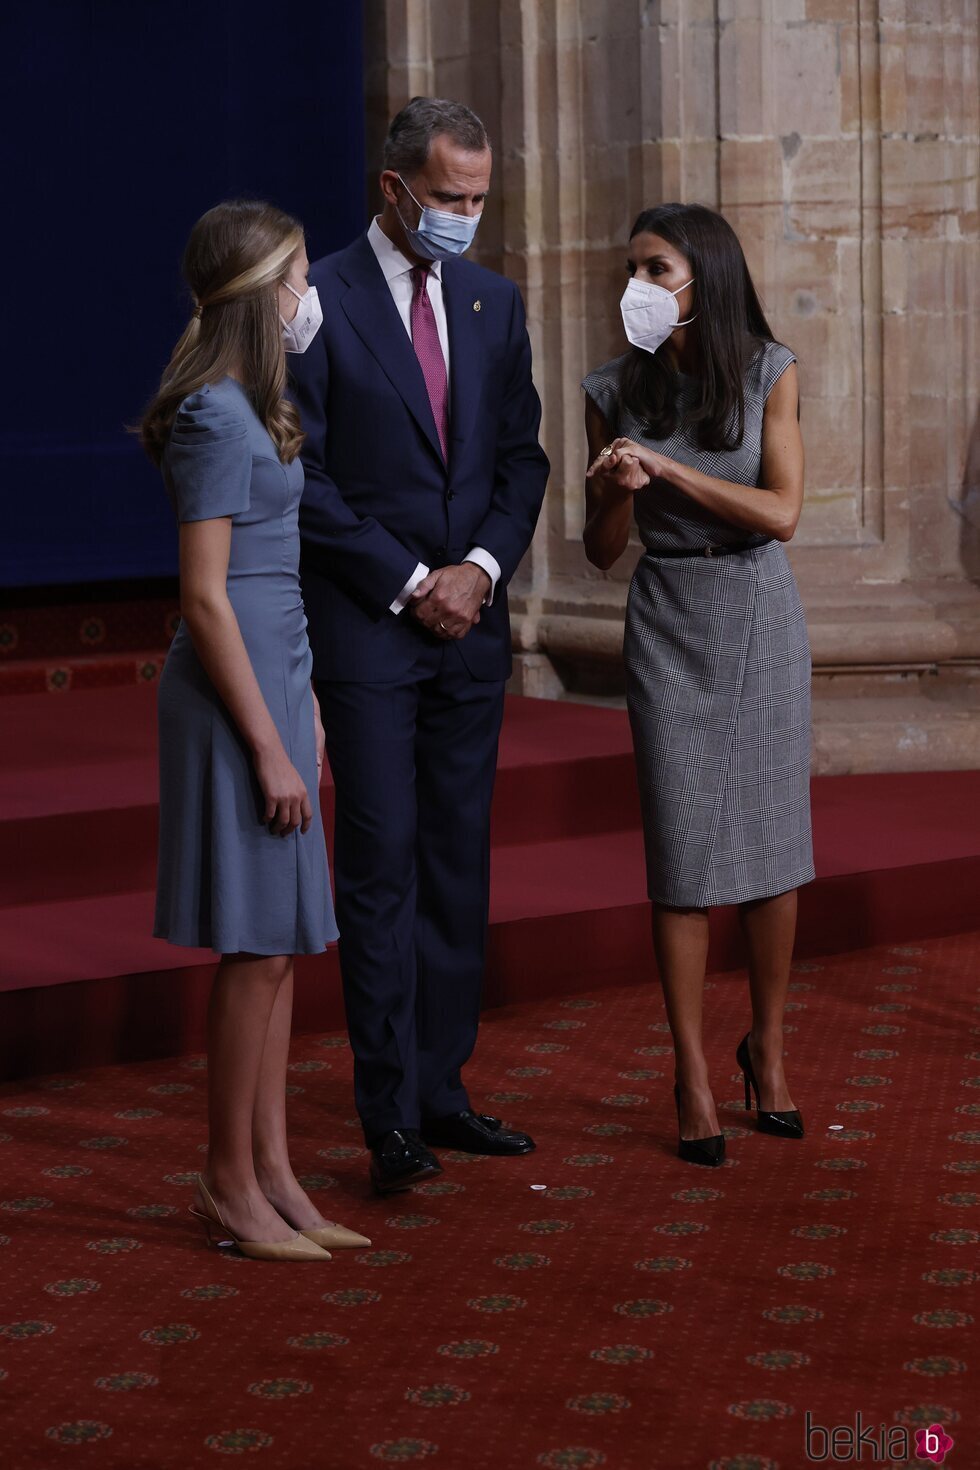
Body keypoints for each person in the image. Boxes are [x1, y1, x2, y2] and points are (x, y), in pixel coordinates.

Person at [289, 98, 550, 1195]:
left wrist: (479, 572)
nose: (466, 217)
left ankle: (444, 1091)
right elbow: (298, 471)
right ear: (393, 190)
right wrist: (408, 583)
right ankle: (385, 1111)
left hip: (469, 631)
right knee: (383, 867)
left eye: (480, 199)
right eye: (449, 198)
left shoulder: (495, 301)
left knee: (455, 864)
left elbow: (519, 461)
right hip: (371, 631)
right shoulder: (315, 302)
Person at [141, 199, 371, 1256]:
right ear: (252, 295)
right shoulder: (209, 416)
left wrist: (307, 706)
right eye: (291, 278)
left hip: (279, 686)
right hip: (231, 705)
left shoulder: (256, 406)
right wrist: (270, 743)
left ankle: (276, 1173)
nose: (304, 296)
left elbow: (277, 585)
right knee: (253, 947)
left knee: (283, 946)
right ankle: (226, 1184)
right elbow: (205, 597)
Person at [582, 203, 813, 1167]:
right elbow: (600, 556)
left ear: (703, 277)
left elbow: (783, 510)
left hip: (757, 609)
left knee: (770, 844)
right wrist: (612, 493)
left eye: (657, 267)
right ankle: (691, 1071)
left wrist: (666, 470)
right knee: (682, 855)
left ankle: (768, 1045)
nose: (639, 284)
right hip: (668, 617)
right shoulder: (612, 387)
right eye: (631, 269)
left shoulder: (769, 370)